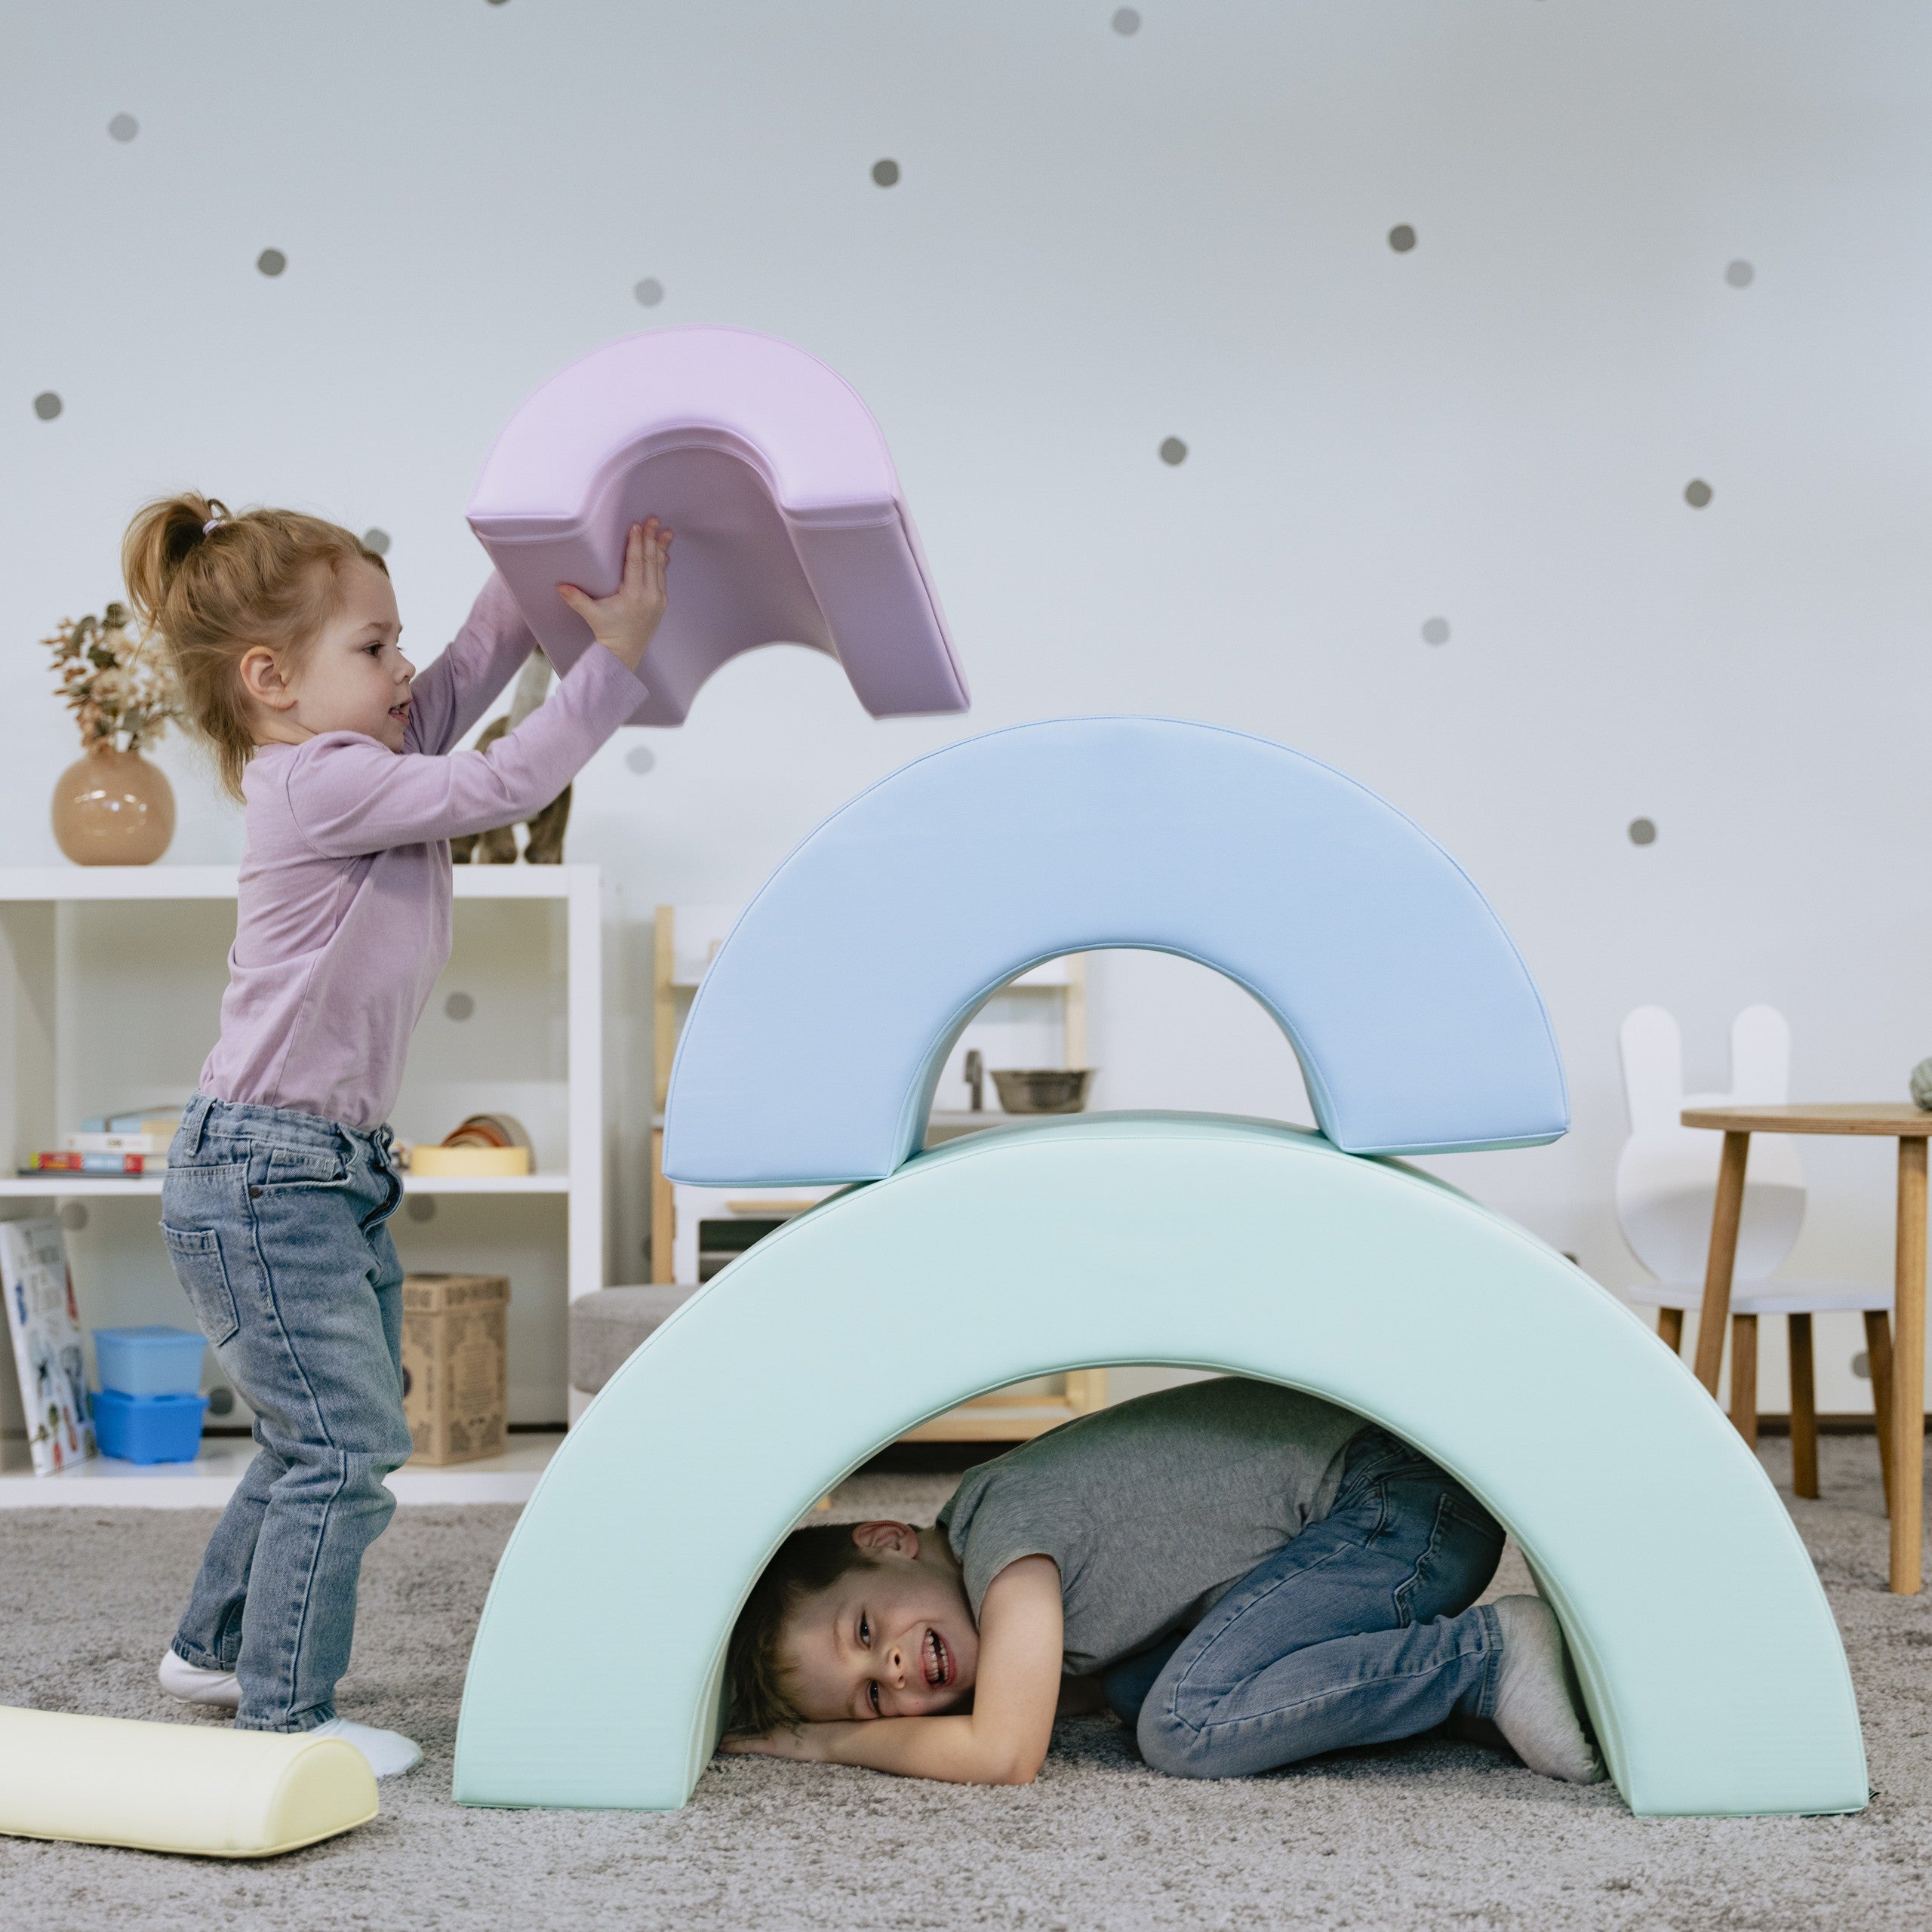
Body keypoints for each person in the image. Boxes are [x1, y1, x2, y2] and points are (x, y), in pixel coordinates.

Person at [122, 494, 672, 1777]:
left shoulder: (360, 751)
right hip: (268, 1177)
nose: (405, 666)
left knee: (320, 1434)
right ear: (271, 681)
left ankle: (212, 1651)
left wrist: (534, 563)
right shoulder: (323, 782)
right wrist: (615, 660)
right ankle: (285, 1721)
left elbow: (473, 666)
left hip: (314, 1174)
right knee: (346, 1449)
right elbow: (506, 777)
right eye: (373, 647)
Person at [723, 1377, 1603, 1788]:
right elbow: (1050, 1699)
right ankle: (1446, 1702)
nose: (894, 1671)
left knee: (1185, 1723)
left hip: (1398, 1502)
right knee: (1137, 1688)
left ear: (887, 1539)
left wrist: (825, 1744)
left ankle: (1482, 1659)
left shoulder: (1004, 1536)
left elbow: (1004, 1753)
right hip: (1380, 1513)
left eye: (864, 1631)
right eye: (874, 1699)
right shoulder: (996, 1568)